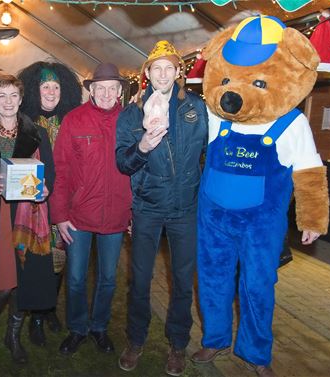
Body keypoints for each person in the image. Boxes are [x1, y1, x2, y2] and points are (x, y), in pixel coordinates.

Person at [115, 41, 208, 376]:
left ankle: (177, 345)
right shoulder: (131, 113)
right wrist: (141, 146)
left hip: (185, 208)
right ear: (147, 74)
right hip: (148, 207)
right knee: (139, 279)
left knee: (183, 281)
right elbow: (123, 163)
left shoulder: (195, 108)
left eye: (170, 67)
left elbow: (210, 155)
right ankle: (136, 340)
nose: (163, 73)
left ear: (179, 72)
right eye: (157, 68)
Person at [0, 75, 56, 364]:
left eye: (13, 95)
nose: (8, 101)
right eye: (2, 96)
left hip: (28, 214)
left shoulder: (37, 133)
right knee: (2, 282)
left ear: (21, 99)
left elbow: (50, 172)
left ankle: (13, 335)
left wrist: (45, 190)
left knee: (25, 281)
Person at [51, 62, 132, 356]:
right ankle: (77, 328)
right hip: (79, 216)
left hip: (116, 214)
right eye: (101, 88)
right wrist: (59, 216)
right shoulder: (74, 120)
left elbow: (139, 168)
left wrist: (133, 212)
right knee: (75, 277)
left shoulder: (129, 121)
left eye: (113, 88)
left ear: (120, 91)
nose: (107, 93)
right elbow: (61, 170)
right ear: (92, 91)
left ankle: (99, 327)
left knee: (108, 278)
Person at [17, 61, 82, 347]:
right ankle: (35, 316)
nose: (52, 91)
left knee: (60, 258)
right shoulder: (22, 121)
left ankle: (48, 309)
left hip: (66, 202)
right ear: (34, 89)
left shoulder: (70, 120)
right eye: (46, 86)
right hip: (34, 204)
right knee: (37, 259)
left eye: (56, 86)